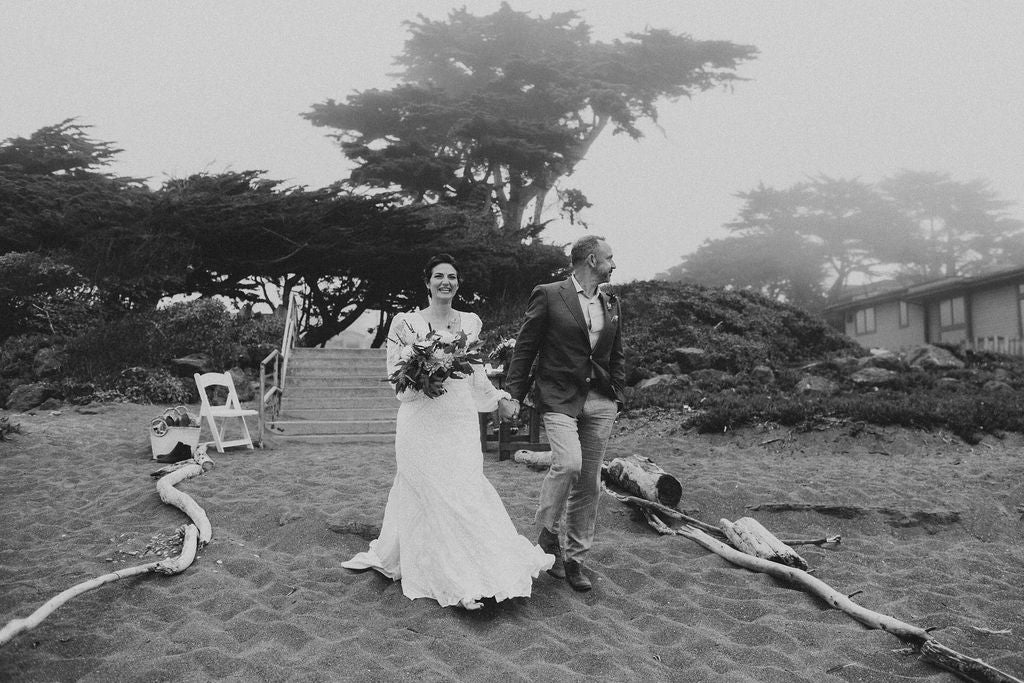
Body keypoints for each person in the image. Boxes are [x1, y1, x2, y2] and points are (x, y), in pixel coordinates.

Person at [342, 254, 553, 610]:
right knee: (429, 492)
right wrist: (428, 375)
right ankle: (451, 579)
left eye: (452, 277)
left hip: (457, 418)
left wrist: (499, 398)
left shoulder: (470, 322)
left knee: (464, 489)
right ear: (427, 283)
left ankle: (481, 568)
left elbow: (475, 373)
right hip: (420, 420)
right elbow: (399, 387)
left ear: (458, 283)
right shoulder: (404, 324)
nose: (445, 282)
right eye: (438, 276)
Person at [501, 235, 625, 592]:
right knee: (568, 463)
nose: (614, 264)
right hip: (558, 396)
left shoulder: (612, 301)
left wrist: (618, 394)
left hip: (600, 401)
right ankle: (547, 536)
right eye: (609, 257)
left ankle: (575, 560)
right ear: (590, 259)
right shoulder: (549, 294)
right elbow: (526, 347)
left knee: (589, 483)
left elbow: (616, 353)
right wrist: (513, 395)